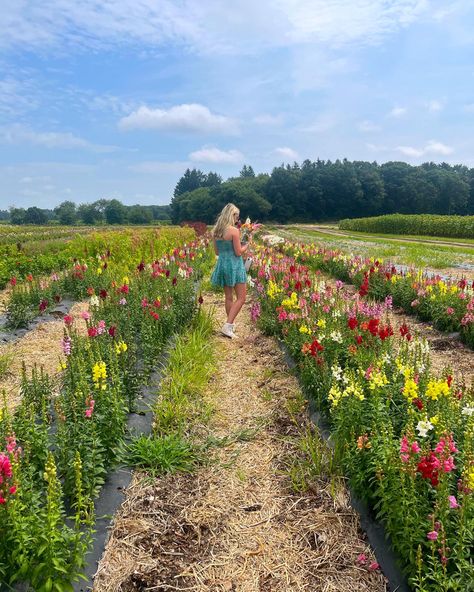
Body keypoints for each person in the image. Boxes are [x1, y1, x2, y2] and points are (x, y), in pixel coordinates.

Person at [210, 203, 251, 338]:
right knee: (241, 298)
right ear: (231, 215)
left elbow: (216, 252)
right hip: (235, 266)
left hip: (223, 264)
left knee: (228, 297)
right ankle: (227, 326)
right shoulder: (234, 231)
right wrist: (247, 244)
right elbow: (239, 252)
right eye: (236, 216)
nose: (237, 219)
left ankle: (230, 325)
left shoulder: (216, 231)